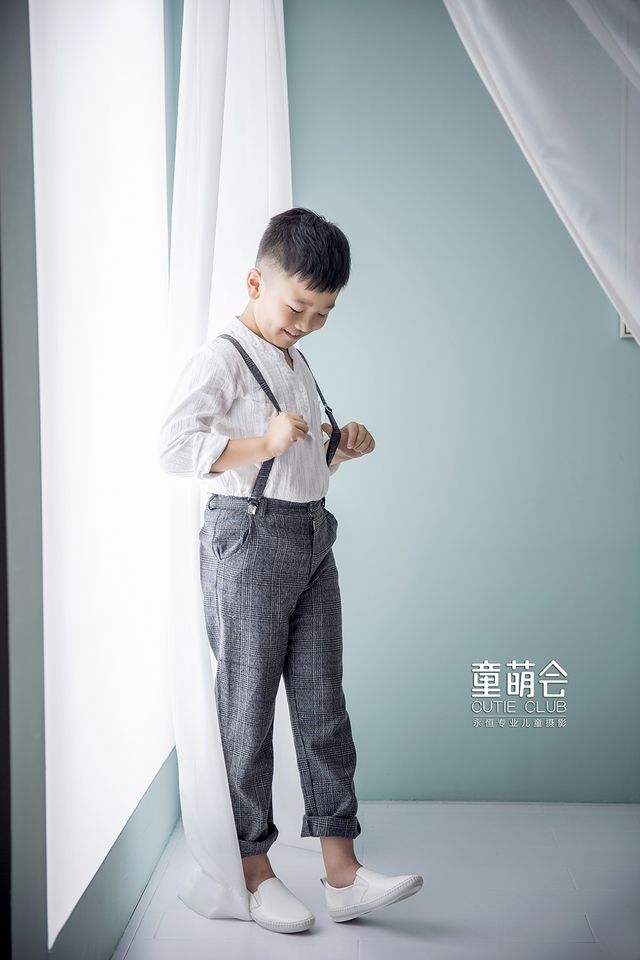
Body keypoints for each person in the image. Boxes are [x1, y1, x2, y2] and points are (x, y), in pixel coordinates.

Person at [159, 207, 423, 933]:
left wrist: (338, 450)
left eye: (323, 313)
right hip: (248, 543)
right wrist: (263, 443)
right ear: (256, 282)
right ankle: (252, 871)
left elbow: (300, 465)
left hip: (311, 537)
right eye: (298, 307)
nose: (307, 324)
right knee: (246, 708)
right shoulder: (221, 357)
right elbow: (174, 448)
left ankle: (343, 873)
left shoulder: (294, 357)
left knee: (321, 703)